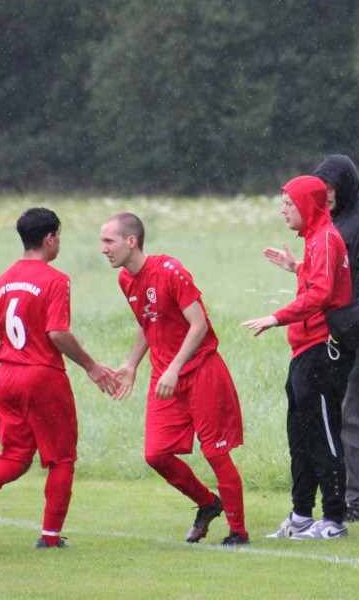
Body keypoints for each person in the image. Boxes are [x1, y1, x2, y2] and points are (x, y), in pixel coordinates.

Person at [0, 207, 118, 550]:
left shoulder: (5, 278)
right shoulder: (56, 279)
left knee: (15, 455)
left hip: (6, 376)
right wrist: (91, 365)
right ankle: (50, 539)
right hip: (42, 377)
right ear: (49, 238)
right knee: (61, 459)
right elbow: (58, 332)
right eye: (59, 237)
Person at [100, 212, 249, 546]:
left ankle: (238, 532)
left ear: (131, 241)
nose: (104, 249)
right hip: (166, 377)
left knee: (215, 453)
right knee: (156, 455)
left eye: (109, 241)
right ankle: (208, 503)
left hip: (201, 371)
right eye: (102, 242)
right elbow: (147, 321)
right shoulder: (126, 279)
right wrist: (133, 364)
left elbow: (199, 325)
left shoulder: (170, 271)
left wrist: (174, 367)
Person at [242, 176, 354, 539]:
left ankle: (334, 520)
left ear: (307, 206)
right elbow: (322, 281)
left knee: (323, 438)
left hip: (322, 353)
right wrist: (297, 268)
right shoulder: (317, 240)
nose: (283, 209)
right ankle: (302, 516)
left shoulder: (325, 238)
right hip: (304, 353)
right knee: (301, 440)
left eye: (289, 202)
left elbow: (321, 296)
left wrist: (276, 317)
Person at [290, 155, 359, 521]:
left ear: (347, 185)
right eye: (323, 188)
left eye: (332, 187)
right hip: (331, 334)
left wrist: (336, 299)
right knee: (331, 415)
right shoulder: (326, 223)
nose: (328, 194)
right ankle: (355, 492)